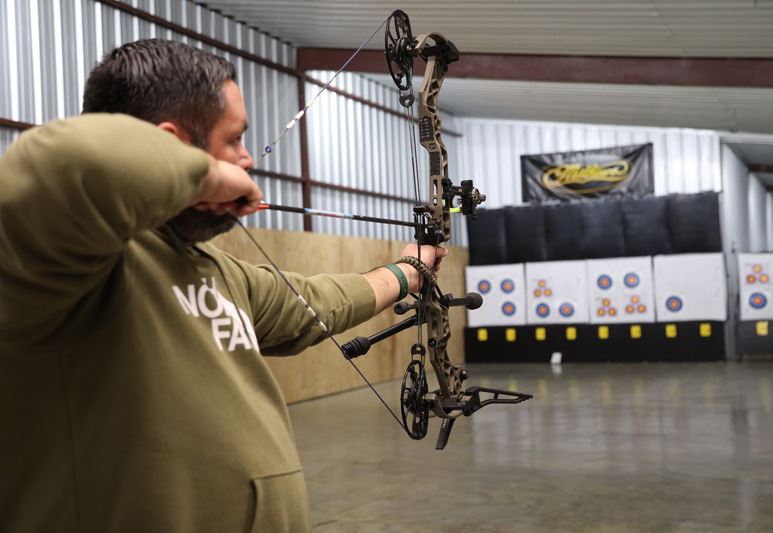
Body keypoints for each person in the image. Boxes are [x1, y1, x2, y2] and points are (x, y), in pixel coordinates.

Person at [0, 39, 445, 532]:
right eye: (233, 139)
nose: (247, 158)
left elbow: (314, 305)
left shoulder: (211, 267)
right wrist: (207, 175)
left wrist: (409, 272)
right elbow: (59, 159)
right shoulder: (62, 261)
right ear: (170, 148)